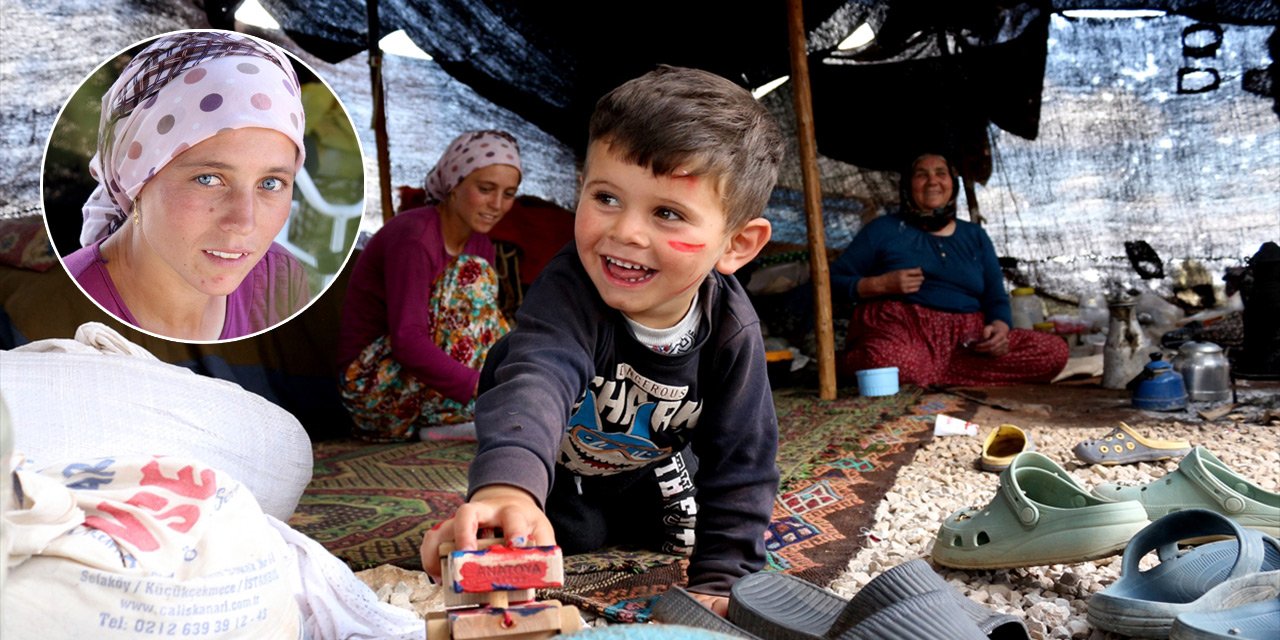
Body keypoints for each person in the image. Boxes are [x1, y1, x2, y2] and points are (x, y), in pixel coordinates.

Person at [420, 65, 784, 617]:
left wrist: (724, 577)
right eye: (607, 198)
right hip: (557, 465)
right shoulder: (570, 289)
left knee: (690, 534)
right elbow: (536, 379)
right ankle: (499, 519)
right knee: (555, 539)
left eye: (667, 213)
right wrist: (507, 493)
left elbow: (744, 457)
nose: (625, 232)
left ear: (736, 244)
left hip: (650, 465)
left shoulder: (731, 331)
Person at [63, 30, 311, 341]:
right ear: (136, 180)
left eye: (271, 183)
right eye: (209, 179)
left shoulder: (281, 282)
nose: (244, 223)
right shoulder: (61, 307)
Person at [337, 130, 522, 442]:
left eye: (508, 194)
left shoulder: (481, 244)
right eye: (486, 189)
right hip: (372, 388)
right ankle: (468, 411)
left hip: (426, 392)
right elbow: (407, 341)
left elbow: (484, 331)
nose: (497, 204)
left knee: (506, 336)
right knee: (472, 274)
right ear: (453, 183)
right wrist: (484, 387)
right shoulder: (414, 238)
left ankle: (443, 426)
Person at [830, 153, 1068, 387]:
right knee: (898, 362)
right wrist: (880, 284)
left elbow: (995, 297)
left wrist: (999, 330)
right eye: (922, 175)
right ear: (908, 186)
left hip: (966, 342)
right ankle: (898, 369)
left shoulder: (974, 235)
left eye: (941, 173)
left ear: (952, 185)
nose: (932, 181)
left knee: (1054, 352)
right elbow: (831, 281)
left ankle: (932, 373)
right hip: (903, 330)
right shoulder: (883, 230)